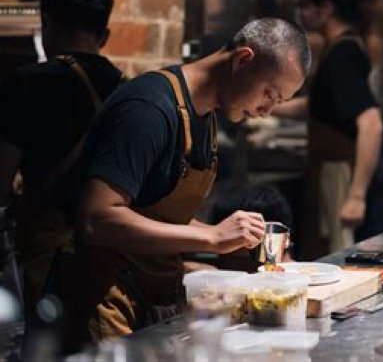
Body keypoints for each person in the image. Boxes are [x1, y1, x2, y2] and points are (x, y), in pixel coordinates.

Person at [74, 18, 311, 343]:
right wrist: (210, 237)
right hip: (104, 299)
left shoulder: (204, 115)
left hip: (149, 294)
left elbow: (155, 214)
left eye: (279, 102)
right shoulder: (149, 109)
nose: (267, 111)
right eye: (269, 93)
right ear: (243, 60)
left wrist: (234, 235)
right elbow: (95, 218)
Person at [0, 0, 124, 323]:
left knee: (45, 338)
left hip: (46, 256)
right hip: (111, 253)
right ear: (104, 35)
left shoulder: (26, 82)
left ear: (47, 23)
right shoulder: (127, 89)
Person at [274, 0, 383, 258]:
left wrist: (356, 196)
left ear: (326, 8)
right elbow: (322, 107)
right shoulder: (339, 46)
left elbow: (372, 124)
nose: (301, 13)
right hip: (327, 172)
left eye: (304, 5)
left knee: (337, 258)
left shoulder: (342, 54)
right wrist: (268, 107)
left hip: (338, 176)